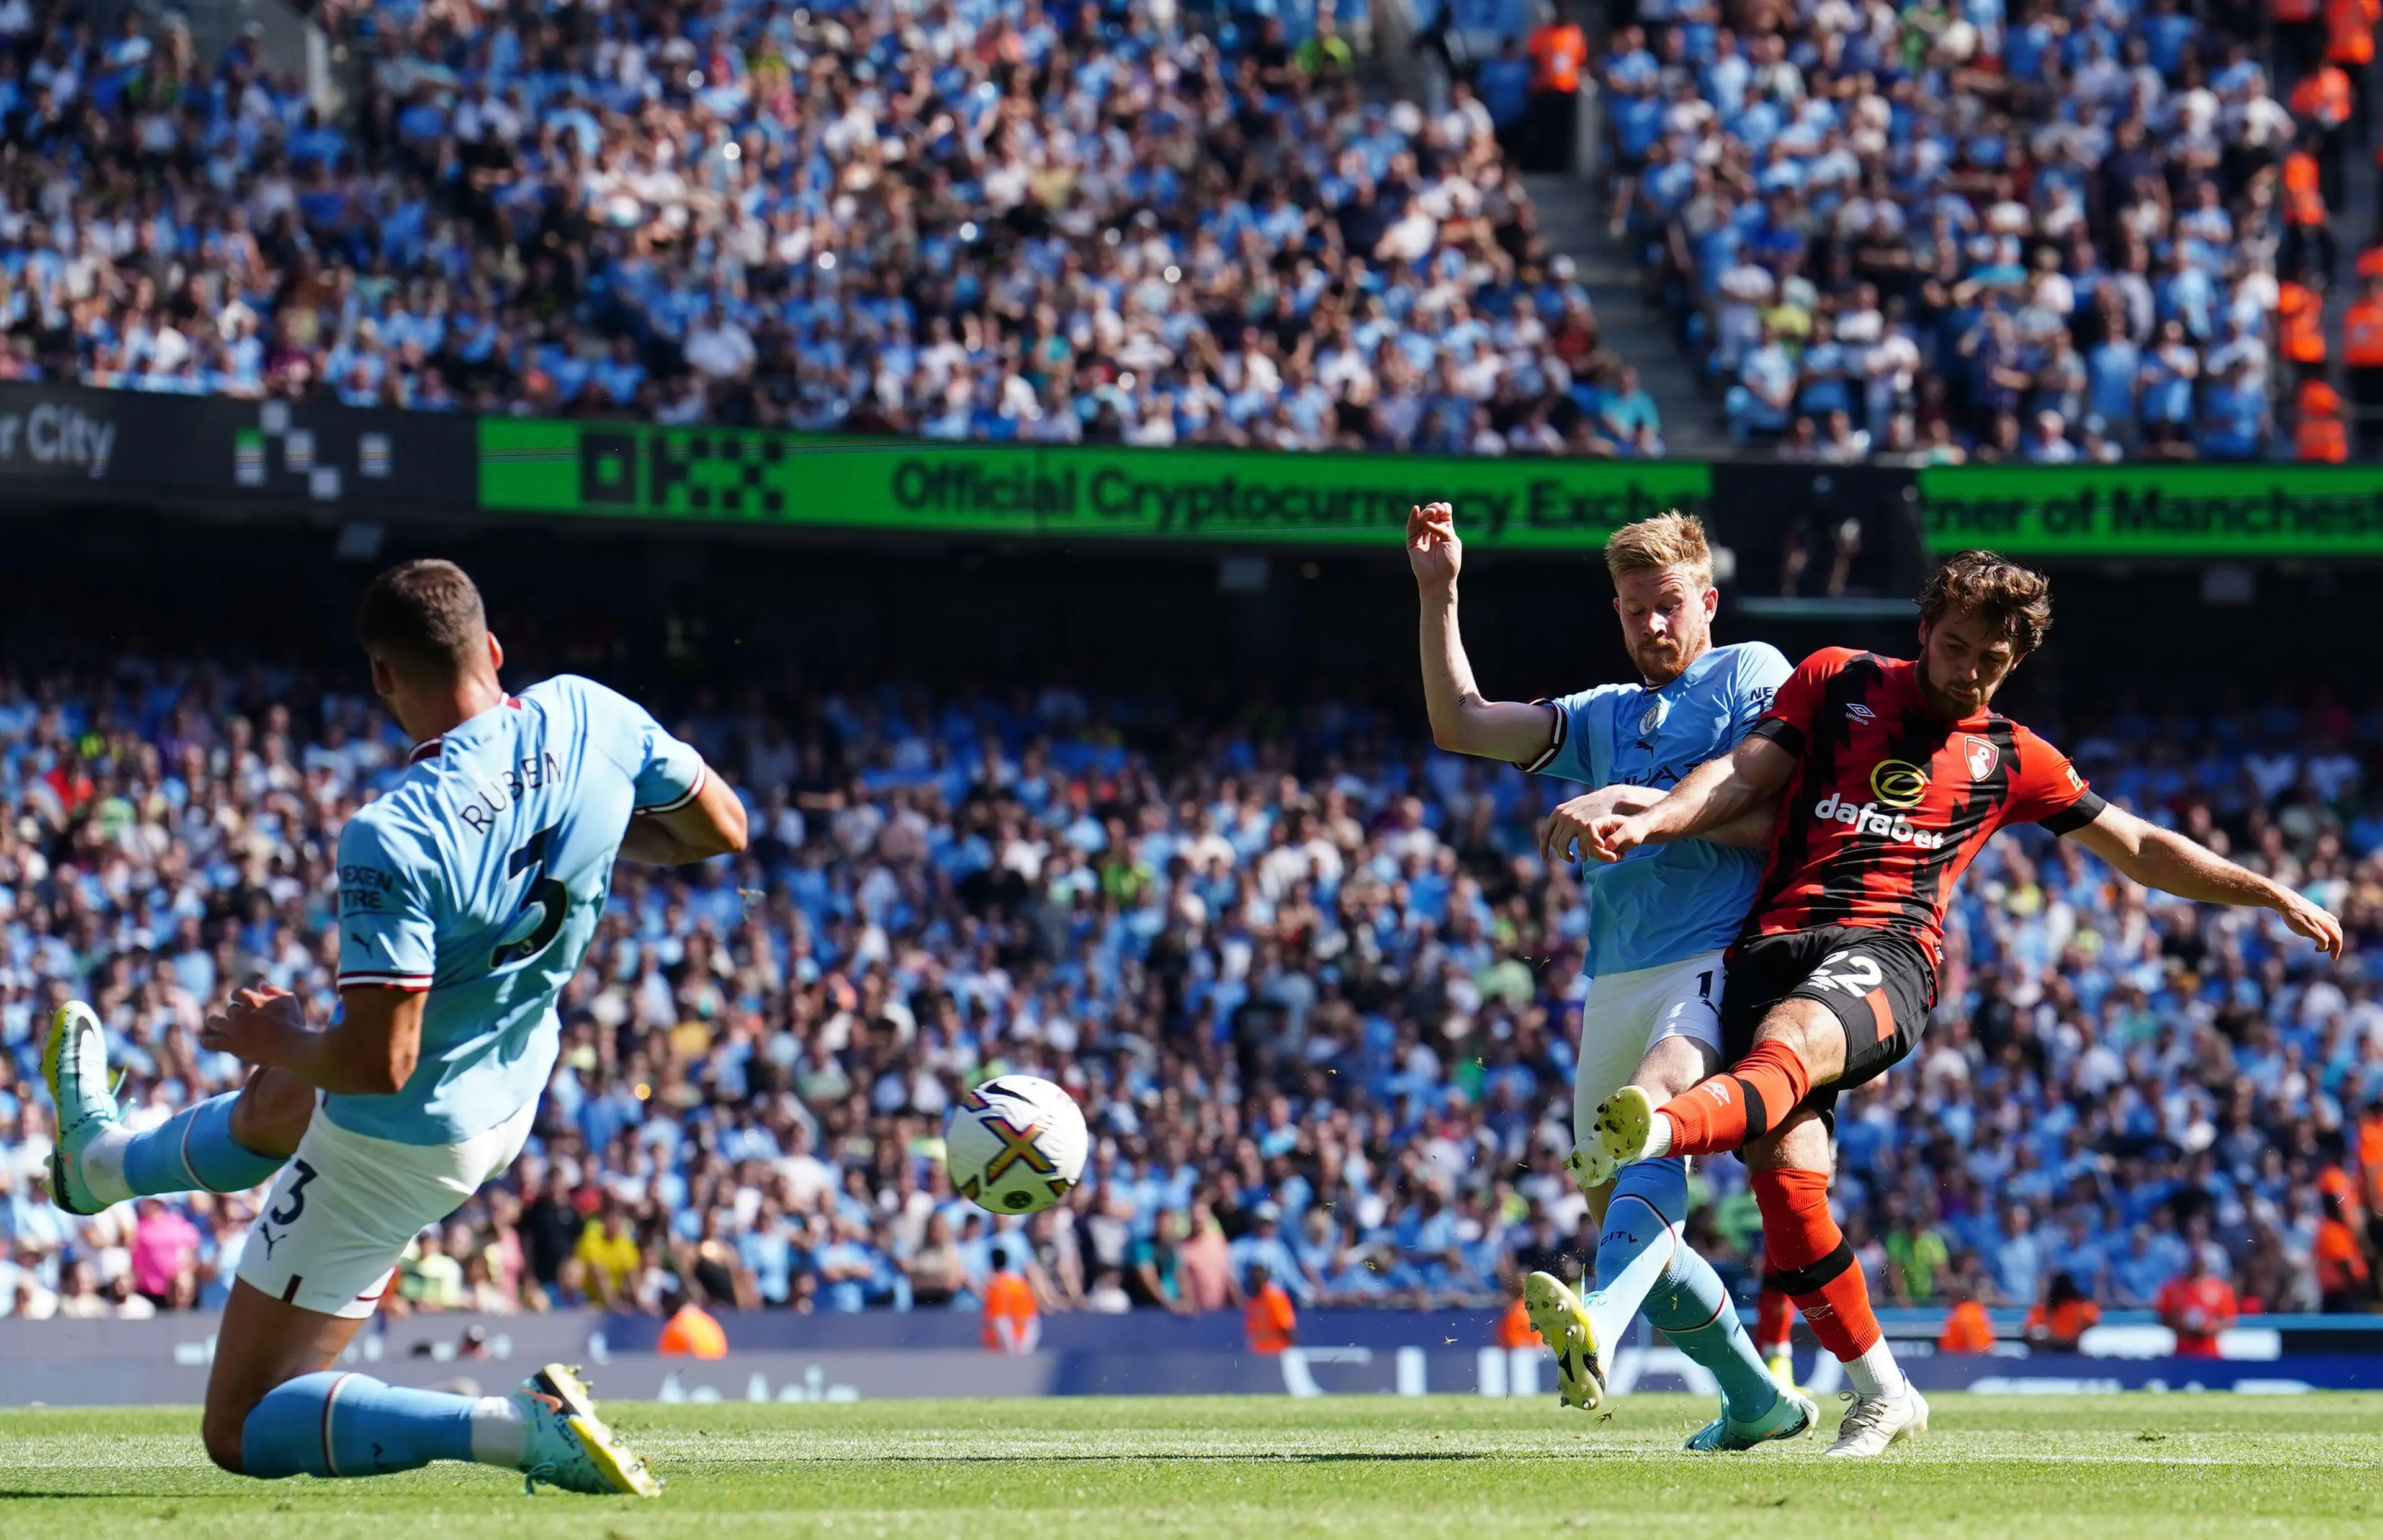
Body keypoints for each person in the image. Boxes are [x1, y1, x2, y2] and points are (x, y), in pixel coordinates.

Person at [1579, 550, 2344, 1455]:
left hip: (1888, 953)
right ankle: (1886, 1391)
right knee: (1787, 1191)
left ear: (2014, 664)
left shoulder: (2013, 756)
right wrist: (1654, 817)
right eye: (1955, 646)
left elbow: (2137, 843)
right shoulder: (1837, 680)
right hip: (1771, 945)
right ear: (1925, 631)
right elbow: (1743, 774)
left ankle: (1660, 1132)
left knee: (1785, 1043)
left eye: (1991, 660)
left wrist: (2265, 891)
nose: (1968, 670)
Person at [42, 558, 748, 1495]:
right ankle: (97, 1162)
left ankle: (511, 1425)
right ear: (492, 650)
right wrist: (596, 821)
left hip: (402, 1138)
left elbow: (380, 1061)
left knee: (242, 1423)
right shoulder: (592, 714)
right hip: (513, 1073)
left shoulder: (396, 832)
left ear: (382, 676)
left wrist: (275, 1037)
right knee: (271, 1111)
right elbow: (722, 828)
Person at [1407, 502, 1813, 1453]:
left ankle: (1598, 1319)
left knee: (1646, 1122)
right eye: (1634, 611)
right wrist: (1441, 594)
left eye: (1668, 603)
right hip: (1615, 983)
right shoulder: (1603, 717)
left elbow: (1785, 823)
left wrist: (1645, 804)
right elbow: (1461, 722)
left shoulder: (1751, 673)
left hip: (1717, 955)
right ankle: (1757, 1400)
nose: (1653, 626)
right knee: (1634, 1219)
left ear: (1706, 600)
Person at [2156, 1249, 2238, 1358]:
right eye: (2194, 1262)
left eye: (2200, 1262)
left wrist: (2211, 1327)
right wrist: (2180, 1324)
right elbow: (2162, 1317)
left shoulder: (2220, 1288)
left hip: (2210, 1354)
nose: (2197, 1266)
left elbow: (2230, 1320)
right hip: (2182, 1353)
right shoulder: (2173, 1288)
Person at [2024, 1272, 2101, 1353]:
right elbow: (2031, 1328)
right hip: (2050, 1350)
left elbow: (2095, 1321)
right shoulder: (2043, 1308)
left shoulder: (2081, 1307)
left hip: (2074, 1349)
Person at [1243, 1263, 1298, 1356]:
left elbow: (1288, 1327)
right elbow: (1252, 1332)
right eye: (1254, 1274)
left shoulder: (1275, 1297)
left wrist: (1291, 1353)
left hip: (1277, 1352)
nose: (1256, 1277)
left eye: (1260, 1273)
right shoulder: (1254, 1302)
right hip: (1260, 1354)